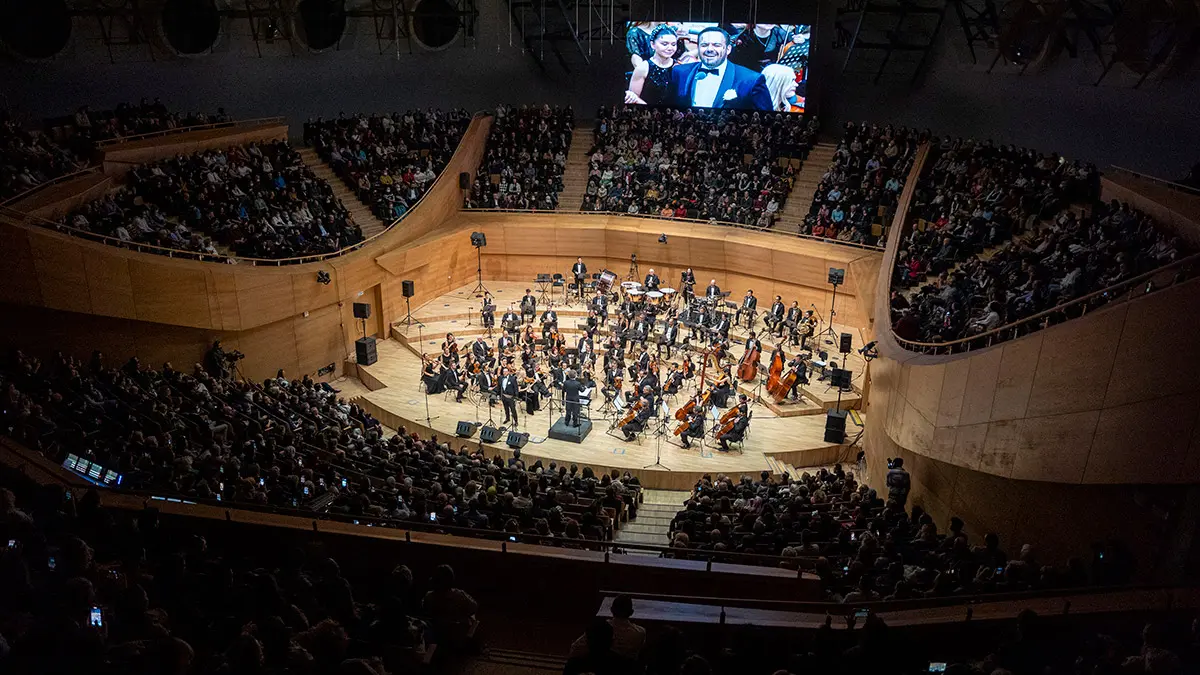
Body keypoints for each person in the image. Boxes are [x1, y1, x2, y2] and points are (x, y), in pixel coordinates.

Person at [666, 27, 772, 110]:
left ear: (728, 49)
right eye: (704, 45)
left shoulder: (751, 80)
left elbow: (765, 119)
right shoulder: (679, 72)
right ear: (698, 48)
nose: (709, 49)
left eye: (716, 45)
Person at [626, 25, 679, 105]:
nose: (670, 48)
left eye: (673, 44)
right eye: (664, 44)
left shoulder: (679, 67)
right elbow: (633, 98)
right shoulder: (643, 68)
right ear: (652, 44)